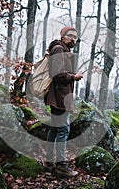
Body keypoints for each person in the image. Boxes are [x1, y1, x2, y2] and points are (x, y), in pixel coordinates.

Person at [44, 26, 83, 178]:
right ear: (62, 36)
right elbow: (58, 74)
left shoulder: (63, 50)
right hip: (60, 97)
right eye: (70, 35)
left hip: (61, 96)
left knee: (55, 129)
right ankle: (61, 166)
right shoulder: (59, 49)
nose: (73, 39)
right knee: (62, 130)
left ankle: (49, 163)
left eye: (75, 36)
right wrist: (74, 77)